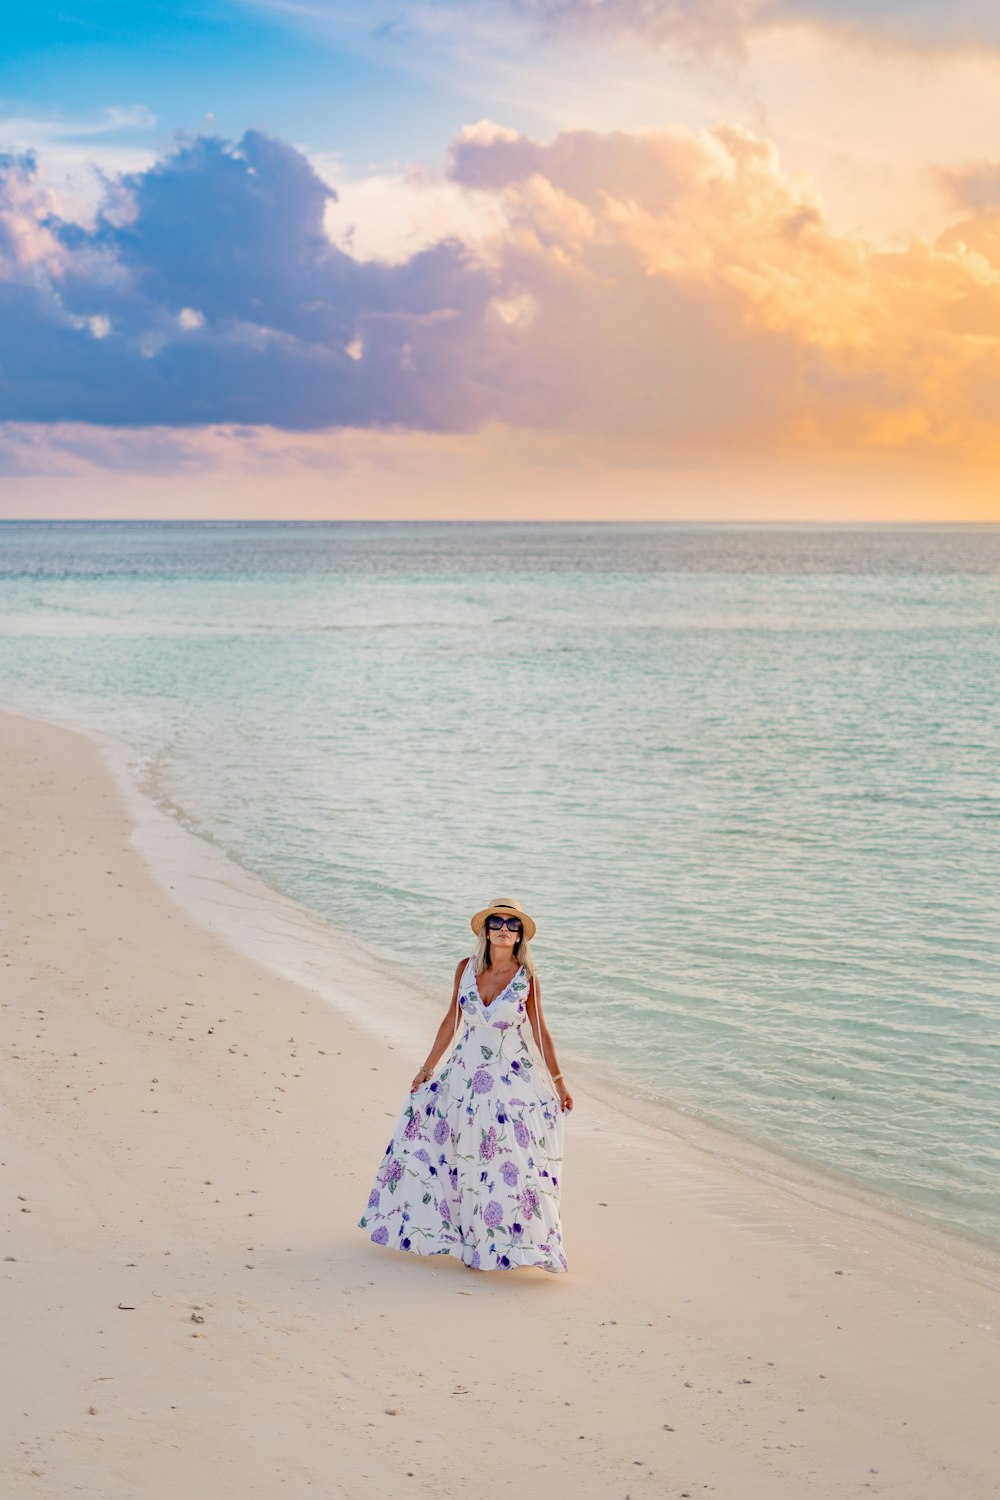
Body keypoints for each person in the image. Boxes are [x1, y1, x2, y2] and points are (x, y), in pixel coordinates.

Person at [358, 898, 571, 1273]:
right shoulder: (465, 969)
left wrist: (559, 1081)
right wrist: (427, 1067)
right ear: (486, 929)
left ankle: (502, 1242)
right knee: (450, 1152)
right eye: (497, 921)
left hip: (510, 1081)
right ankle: (462, 1238)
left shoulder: (527, 978)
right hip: (463, 1076)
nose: (504, 928)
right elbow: (450, 1021)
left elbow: (540, 1033)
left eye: (512, 924)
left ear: (520, 935)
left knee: (504, 1160)